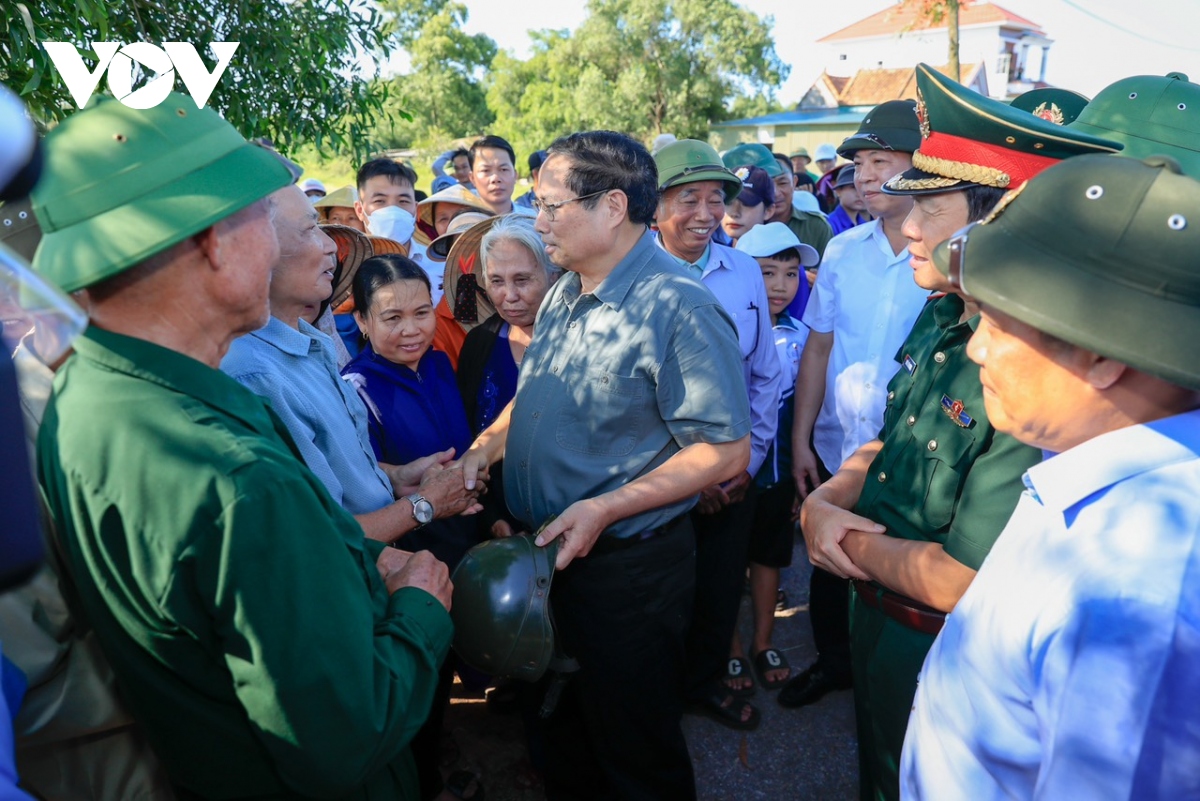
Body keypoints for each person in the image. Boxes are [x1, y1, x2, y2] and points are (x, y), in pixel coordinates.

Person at [31, 92, 462, 799]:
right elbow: (347, 733)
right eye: (267, 216)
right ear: (210, 240)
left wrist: (355, 559)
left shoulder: (87, 396)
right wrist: (421, 605)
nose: (302, 244)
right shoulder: (235, 481)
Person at [800, 63, 1122, 801]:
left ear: (998, 220)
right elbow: (891, 432)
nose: (907, 225)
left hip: (940, 636)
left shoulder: (1032, 373)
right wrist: (834, 494)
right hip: (875, 611)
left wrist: (835, 534)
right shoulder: (946, 312)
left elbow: (965, 578)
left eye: (931, 206)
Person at [459, 130, 751, 799]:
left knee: (633, 745)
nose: (538, 221)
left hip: (625, 571)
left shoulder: (679, 304)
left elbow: (726, 449)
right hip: (551, 559)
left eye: (552, 205)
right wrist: (485, 447)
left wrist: (606, 506)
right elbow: (531, 394)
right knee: (563, 732)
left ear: (613, 206)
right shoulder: (566, 289)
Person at [903, 153, 1200, 800]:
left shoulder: (1142, 596)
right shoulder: (1083, 468)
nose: (977, 345)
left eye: (1001, 323)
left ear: (1100, 355)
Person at [222, 183, 478, 538]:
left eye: (421, 312)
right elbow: (316, 535)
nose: (330, 246)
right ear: (255, 251)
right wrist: (425, 504)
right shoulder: (253, 377)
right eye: (312, 230)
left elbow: (344, 472)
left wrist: (393, 476)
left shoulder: (313, 347)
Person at [782, 99, 930, 710]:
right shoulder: (842, 252)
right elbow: (818, 350)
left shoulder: (946, 255)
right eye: (859, 163)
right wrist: (801, 439)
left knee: (904, 571)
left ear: (921, 168)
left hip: (914, 457)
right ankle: (833, 664)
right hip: (841, 445)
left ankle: (897, 686)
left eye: (879, 160)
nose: (863, 176)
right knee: (828, 558)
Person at [652, 139, 782, 731]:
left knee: (719, 585)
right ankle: (659, 696)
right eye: (688, 199)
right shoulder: (634, 280)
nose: (705, 213)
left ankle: (703, 683)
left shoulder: (745, 270)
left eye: (715, 199)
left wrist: (746, 461)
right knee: (661, 595)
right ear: (654, 207)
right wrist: (687, 474)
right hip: (659, 478)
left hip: (735, 473)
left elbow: (764, 375)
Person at [729, 222, 818, 696]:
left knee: (768, 558)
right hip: (730, 474)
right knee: (726, 563)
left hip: (778, 474)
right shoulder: (725, 329)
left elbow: (803, 407)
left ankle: (763, 642)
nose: (780, 285)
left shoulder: (803, 335)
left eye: (790, 274)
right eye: (767, 274)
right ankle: (732, 648)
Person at [457, 215, 562, 540]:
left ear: (554, 275)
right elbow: (470, 433)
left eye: (522, 279)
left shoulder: (577, 342)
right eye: (496, 281)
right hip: (499, 525)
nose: (509, 295)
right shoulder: (480, 344)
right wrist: (491, 515)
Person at [724, 143, 833, 264]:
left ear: (794, 182)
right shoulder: (737, 226)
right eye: (768, 185)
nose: (774, 193)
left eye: (782, 183)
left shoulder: (816, 227)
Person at [354, 158, 428, 268]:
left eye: (403, 201)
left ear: (416, 209)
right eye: (379, 201)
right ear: (359, 210)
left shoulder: (440, 266)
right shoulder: (345, 269)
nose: (393, 211)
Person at [468, 135, 534, 217]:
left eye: (503, 169)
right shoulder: (463, 225)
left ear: (515, 175)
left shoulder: (534, 222)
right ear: (472, 178)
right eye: (485, 170)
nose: (495, 178)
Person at [721, 165, 774, 245]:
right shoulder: (712, 253)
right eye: (728, 202)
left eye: (746, 203)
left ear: (768, 211)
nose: (734, 213)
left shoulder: (780, 256)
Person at [828, 164, 872, 235]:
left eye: (862, 188)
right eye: (853, 187)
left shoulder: (865, 224)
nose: (859, 194)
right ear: (838, 191)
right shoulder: (830, 224)